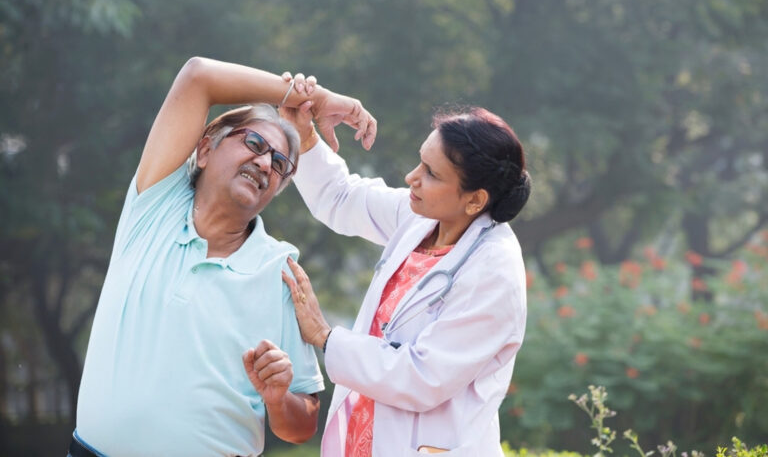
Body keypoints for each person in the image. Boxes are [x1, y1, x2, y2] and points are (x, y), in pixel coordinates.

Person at [70, 58, 377, 457]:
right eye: (254, 144)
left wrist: (278, 397)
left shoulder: (280, 270)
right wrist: (312, 99)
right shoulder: (154, 207)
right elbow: (198, 76)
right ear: (203, 150)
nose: (266, 163)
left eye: (280, 164)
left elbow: (301, 426)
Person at [279, 96, 531, 456]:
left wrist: (325, 337)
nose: (412, 177)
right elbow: (341, 197)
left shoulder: (494, 271)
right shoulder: (423, 219)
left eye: (431, 173)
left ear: (475, 201)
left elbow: (422, 377)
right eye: (420, 162)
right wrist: (303, 136)